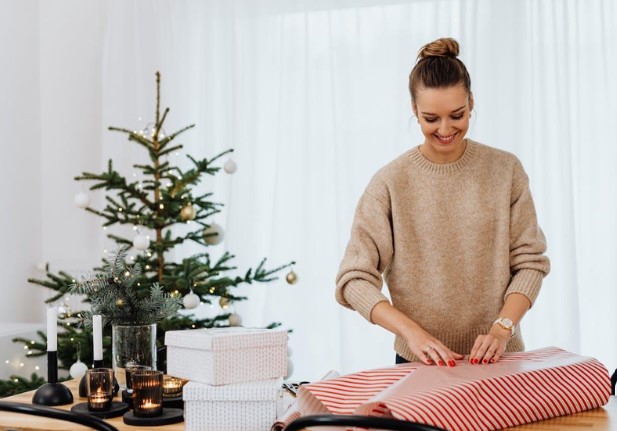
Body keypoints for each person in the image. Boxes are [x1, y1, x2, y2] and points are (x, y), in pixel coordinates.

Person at [335, 37, 550, 367]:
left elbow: (530, 263)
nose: (446, 129)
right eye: (431, 118)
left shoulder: (505, 171)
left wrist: (501, 328)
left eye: (457, 115)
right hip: (418, 364)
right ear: (413, 110)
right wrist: (412, 334)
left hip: (500, 357)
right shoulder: (390, 183)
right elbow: (354, 280)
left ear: (472, 102)